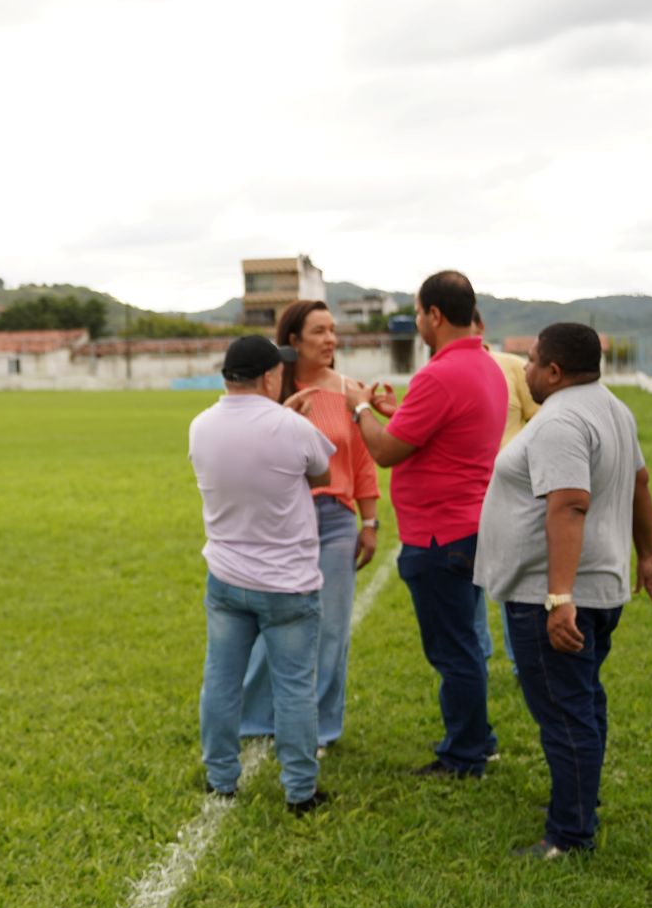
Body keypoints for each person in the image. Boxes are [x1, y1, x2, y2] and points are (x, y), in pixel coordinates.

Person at [474, 323, 652, 858]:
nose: (527, 370)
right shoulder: (611, 407)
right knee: (581, 702)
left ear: (555, 371)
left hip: (560, 595)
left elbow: (569, 504)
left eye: (533, 361)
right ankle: (581, 804)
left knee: (566, 714)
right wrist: (649, 552)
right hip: (596, 588)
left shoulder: (562, 420)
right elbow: (640, 484)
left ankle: (569, 835)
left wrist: (558, 598)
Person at [342, 270, 506, 777]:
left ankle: (464, 756)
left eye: (417, 312)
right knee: (467, 643)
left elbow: (387, 451)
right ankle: (479, 739)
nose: (416, 322)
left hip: (439, 534)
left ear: (434, 315)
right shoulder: (485, 366)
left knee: (453, 650)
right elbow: (437, 431)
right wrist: (398, 410)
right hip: (471, 524)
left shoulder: (440, 374)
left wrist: (361, 408)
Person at [190, 335, 336, 815]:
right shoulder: (290, 426)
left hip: (227, 577)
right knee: (294, 686)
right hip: (287, 582)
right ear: (271, 377)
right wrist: (287, 418)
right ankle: (299, 790)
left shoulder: (200, 426)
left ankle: (221, 778)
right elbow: (321, 475)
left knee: (221, 679)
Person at [239, 300, 380, 754]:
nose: (330, 340)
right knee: (270, 620)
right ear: (292, 340)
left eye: (332, 330)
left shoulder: (349, 392)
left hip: (336, 521)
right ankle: (256, 718)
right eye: (318, 331)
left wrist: (371, 519)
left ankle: (319, 729)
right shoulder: (270, 393)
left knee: (331, 627)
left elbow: (359, 462)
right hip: (280, 521)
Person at [473, 307, 539, 666]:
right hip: (467, 496)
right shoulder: (436, 375)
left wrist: (513, 461)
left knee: (513, 576)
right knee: (470, 580)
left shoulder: (512, 367)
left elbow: (540, 417)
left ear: (479, 326)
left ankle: (520, 659)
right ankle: (477, 656)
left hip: (512, 492)